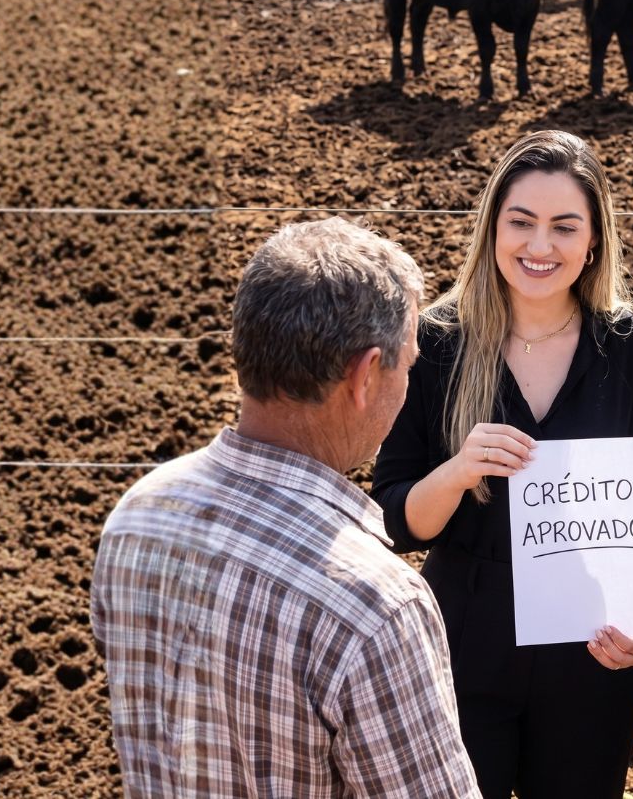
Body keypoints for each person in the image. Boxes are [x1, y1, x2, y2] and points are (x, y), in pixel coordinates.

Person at [90, 219, 480, 798]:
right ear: (365, 374)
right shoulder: (374, 605)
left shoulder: (138, 515)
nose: (408, 382)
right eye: (407, 362)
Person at [371, 129, 633, 799]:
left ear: (594, 240)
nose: (540, 247)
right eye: (522, 223)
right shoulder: (435, 342)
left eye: (565, 227)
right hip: (463, 646)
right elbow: (396, 520)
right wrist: (456, 472)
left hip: (591, 654)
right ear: (492, 228)